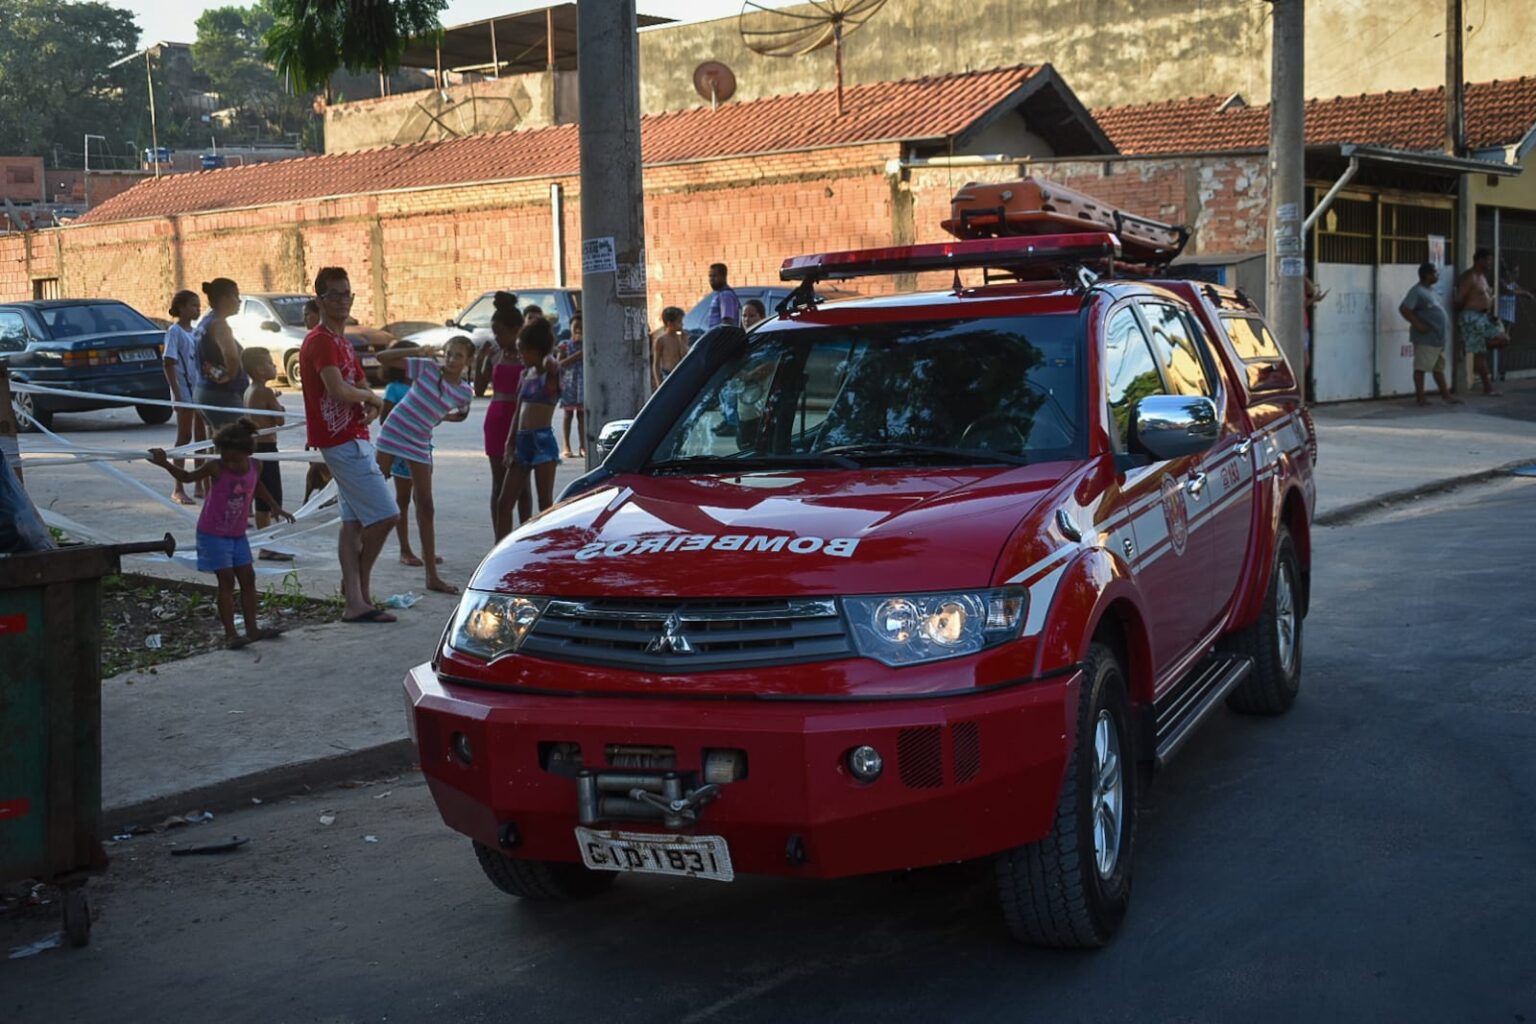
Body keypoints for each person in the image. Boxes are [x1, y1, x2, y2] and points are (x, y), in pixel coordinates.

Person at [299, 266, 398, 624]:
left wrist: (368, 404)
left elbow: (353, 381)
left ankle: (357, 597)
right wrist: (371, 397)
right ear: (320, 299)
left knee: (353, 521)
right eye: (334, 295)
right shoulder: (321, 340)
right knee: (387, 514)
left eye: (346, 294)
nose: (342, 301)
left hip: (353, 435)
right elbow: (338, 388)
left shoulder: (342, 341)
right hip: (339, 440)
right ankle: (355, 586)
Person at [148, 418, 292, 648]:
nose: (229, 462)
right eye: (224, 456)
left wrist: (274, 506)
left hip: (237, 534)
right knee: (226, 581)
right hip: (212, 533)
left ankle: (252, 629)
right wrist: (164, 463)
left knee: (248, 579)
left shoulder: (256, 466)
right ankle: (231, 634)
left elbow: (256, 485)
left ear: (246, 452)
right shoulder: (216, 467)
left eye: (233, 458)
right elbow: (187, 477)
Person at [373, 336, 475, 594]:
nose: (452, 360)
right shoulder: (427, 368)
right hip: (394, 431)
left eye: (459, 356)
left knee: (426, 506)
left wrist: (440, 417)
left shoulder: (465, 391)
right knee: (373, 495)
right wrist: (419, 350)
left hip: (419, 440)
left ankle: (432, 576)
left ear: (468, 361)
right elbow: (382, 358)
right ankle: (357, 570)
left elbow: (462, 413)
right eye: (449, 353)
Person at [497, 317, 562, 534]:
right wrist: (509, 444)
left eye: (523, 351)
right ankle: (499, 551)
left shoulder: (550, 375)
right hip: (522, 443)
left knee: (545, 505)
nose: (519, 356)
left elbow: (551, 364)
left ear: (536, 351)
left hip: (542, 443)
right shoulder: (525, 374)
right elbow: (517, 411)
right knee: (504, 503)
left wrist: (549, 358)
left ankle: (547, 551)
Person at [485, 293, 533, 539]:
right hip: (496, 419)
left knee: (523, 485)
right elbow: (479, 388)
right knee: (498, 483)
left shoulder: (529, 356)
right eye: (494, 332)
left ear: (516, 330)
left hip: (522, 420)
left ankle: (524, 537)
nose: (497, 337)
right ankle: (499, 539)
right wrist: (483, 360)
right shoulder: (494, 353)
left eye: (501, 332)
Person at [379, 339, 428, 568]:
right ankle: (405, 549)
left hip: (423, 446)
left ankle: (425, 548)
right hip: (401, 450)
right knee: (403, 500)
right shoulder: (394, 388)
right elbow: (384, 419)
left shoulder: (421, 385)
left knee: (423, 500)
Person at [241, 346, 293, 561]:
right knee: (270, 498)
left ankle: (267, 542)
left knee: (263, 498)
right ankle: (266, 545)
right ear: (260, 370)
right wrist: (279, 406)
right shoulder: (265, 392)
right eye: (270, 363)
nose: (274, 366)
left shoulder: (251, 390)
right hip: (266, 448)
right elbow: (279, 419)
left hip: (255, 448)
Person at [161, 289, 207, 504]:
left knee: (201, 437)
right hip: (184, 391)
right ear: (180, 308)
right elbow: (169, 363)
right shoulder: (175, 332)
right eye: (192, 305)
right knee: (184, 437)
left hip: (199, 390)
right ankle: (178, 487)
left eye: (199, 306)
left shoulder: (196, 332)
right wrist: (177, 394)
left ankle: (199, 483)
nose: (197, 309)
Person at [1399, 262, 1461, 408]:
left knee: (1438, 368)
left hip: (1437, 338)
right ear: (1427, 275)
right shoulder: (1417, 291)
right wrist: (1418, 324)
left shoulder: (1431, 291)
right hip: (1425, 338)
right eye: (1435, 273)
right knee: (1421, 367)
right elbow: (1404, 309)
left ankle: (1446, 395)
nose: (1437, 275)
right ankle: (1421, 398)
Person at [194, 278, 249, 429]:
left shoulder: (205, 321)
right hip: (222, 394)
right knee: (237, 440)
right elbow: (231, 356)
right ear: (224, 299)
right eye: (236, 296)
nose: (239, 301)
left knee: (217, 440)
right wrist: (229, 376)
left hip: (204, 390)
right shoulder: (220, 325)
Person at [1454, 248, 1510, 396]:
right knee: (1481, 354)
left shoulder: (1483, 277)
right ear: (1479, 260)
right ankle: (1488, 388)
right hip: (1472, 317)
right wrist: (1468, 313)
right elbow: (1458, 300)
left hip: (1484, 317)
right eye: (1488, 260)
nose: (1490, 263)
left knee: (1503, 339)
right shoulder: (1469, 277)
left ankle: (1469, 345)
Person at [557, 313, 585, 459]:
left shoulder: (587, 345)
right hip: (569, 385)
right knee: (568, 415)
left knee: (582, 415)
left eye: (581, 327)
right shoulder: (565, 345)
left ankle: (583, 446)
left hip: (582, 385)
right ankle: (566, 446)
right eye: (576, 327)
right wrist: (576, 356)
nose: (578, 330)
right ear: (571, 328)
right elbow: (559, 364)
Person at [652, 306, 688, 389]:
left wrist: (680, 339)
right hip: (668, 374)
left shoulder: (683, 336)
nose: (682, 324)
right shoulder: (661, 340)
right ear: (669, 324)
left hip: (683, 372)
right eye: (679, 322)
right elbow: (656, 364)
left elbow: (685, 355)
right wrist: (659, 383)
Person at [706, 262, 740, 328]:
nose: (711, 279)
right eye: (710, 276)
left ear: (723, 277)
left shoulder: (726, 295)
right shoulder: (718, 294)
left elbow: (727, 323)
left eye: (715, 276)